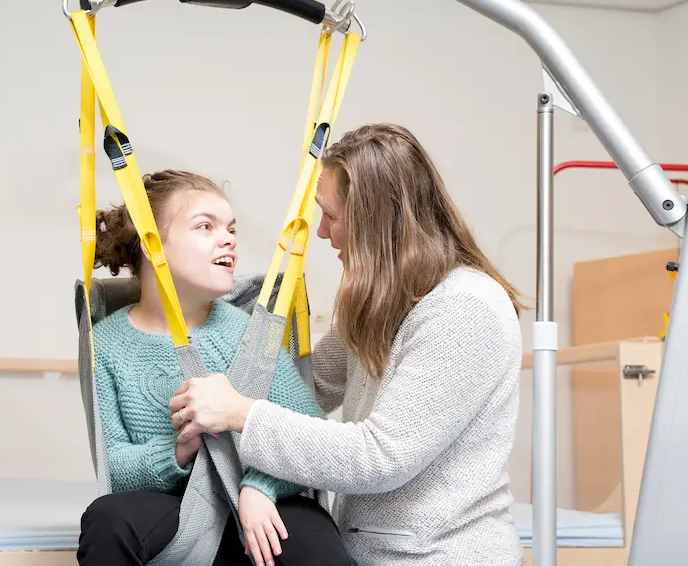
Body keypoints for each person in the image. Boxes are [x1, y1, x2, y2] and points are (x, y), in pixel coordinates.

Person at [169, 124, 527, 566]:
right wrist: (204, 314)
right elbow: (304, 387)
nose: (322, 232)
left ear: (376, 220)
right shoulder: (381, 304)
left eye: (331, 216)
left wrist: (240, 413)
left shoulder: (464, 308)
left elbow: (379, 457)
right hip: (367, 552)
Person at [76, 169, 353, 566]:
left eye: (231, 229)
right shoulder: (105, 345)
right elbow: (115, 467)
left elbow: (309, 434)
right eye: (205, 226)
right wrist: (177, 449)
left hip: (259, 509)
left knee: (313, 539)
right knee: (107, 519)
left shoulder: (251, 332)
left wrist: (261, 487)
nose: (228, 239)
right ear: (151, 244)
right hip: (175, 513)